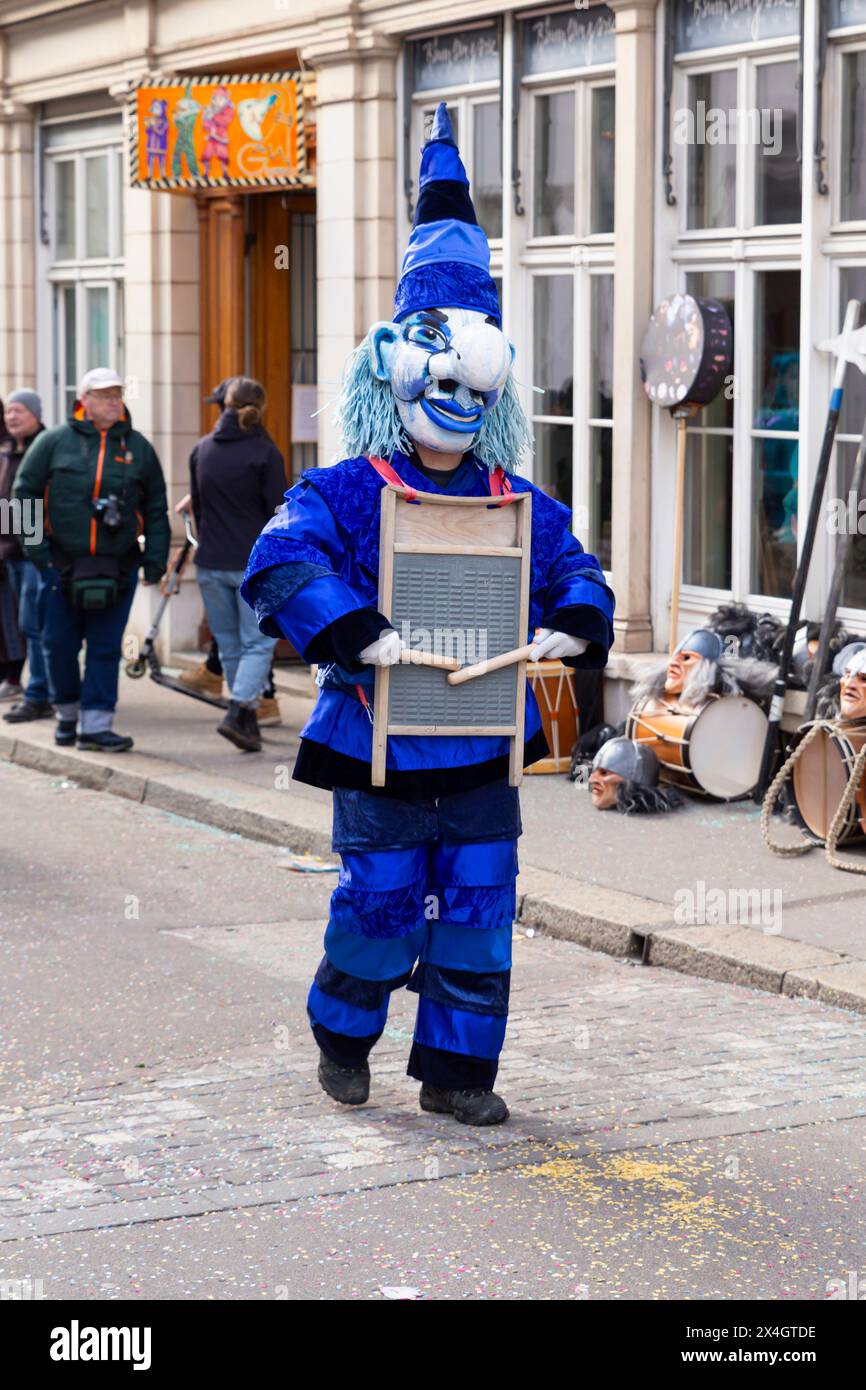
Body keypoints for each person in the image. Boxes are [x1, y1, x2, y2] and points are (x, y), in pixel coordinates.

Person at [242, 104, 615, 1126]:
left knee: (477, 914)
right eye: (435, 379)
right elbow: (277, 559)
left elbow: (576, 568)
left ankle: (457, 1074)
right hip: (377, 736)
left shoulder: (512, 497)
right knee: (378, 908)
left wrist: (574, 622)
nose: (451, 402)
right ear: (398, 375)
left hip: (480, 743)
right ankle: (343, 1035)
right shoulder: (351, 487)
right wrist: (356, 628)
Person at [12, 368, 169, 751]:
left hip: (118, 568)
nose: (114, 401)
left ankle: (96, 726)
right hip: (60, 566)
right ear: (84, 401)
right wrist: (37, 553)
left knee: (105, 647)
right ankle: (67, 716)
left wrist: (155, 561)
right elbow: (22, 494)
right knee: (58, 644)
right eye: (104, 395)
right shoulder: (53, 442)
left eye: (117, 394)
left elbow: (156, 508)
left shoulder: (138, 448)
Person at [189, 376, 286, 752]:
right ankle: (239, 709)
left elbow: (198, 509)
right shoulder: (265, 452)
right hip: (251, 563)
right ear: (259, 408)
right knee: (258, 644)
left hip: (210, 560)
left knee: (229, 643)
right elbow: (278, 516)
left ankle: (245, 718)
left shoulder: (201, 449)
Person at [0, 390, 51, 722]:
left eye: (19, 411)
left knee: (36, 625)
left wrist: (31, 545)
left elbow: (34, 501)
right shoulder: (10, 452)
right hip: (13, 552)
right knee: (24, 624)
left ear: (35, 414)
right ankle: (39, 689)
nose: (12, 417)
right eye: (9, 412)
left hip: (34, 554)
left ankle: (40, 693)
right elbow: (8, 502)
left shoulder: (44, 448)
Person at [0, 397, 25, 702]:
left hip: (14, 551)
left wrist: (12, 547)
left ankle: (15, 677)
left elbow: (15, 502)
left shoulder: (13, 454)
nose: (13, 417)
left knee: (17, 622)